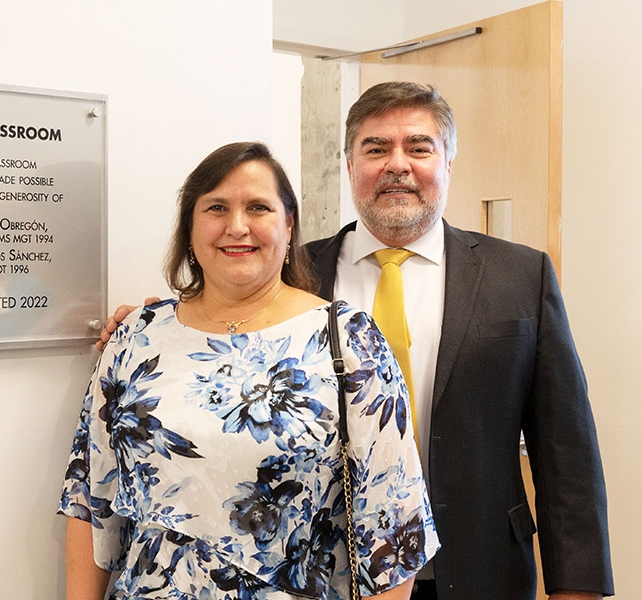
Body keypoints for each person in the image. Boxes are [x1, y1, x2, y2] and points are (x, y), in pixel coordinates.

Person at [97, 83, 614, 600]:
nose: (397, 165)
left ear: (448, 162)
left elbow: (565, 449)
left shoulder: (520, 275)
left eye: (418, 147)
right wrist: (150, 326)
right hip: (331, 575)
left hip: (481, 569)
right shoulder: (294, 278)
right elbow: (220, 336)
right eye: (375, 149)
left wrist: (579, 588)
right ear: (349, 166)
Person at [59, 141, 439, 599]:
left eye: (258, 207)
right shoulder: (137, 337)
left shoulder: (348, 341)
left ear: (289, 223)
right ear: (190, 227)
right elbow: (89, 498)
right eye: (216, 207)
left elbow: (393, 530)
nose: (236, 226)